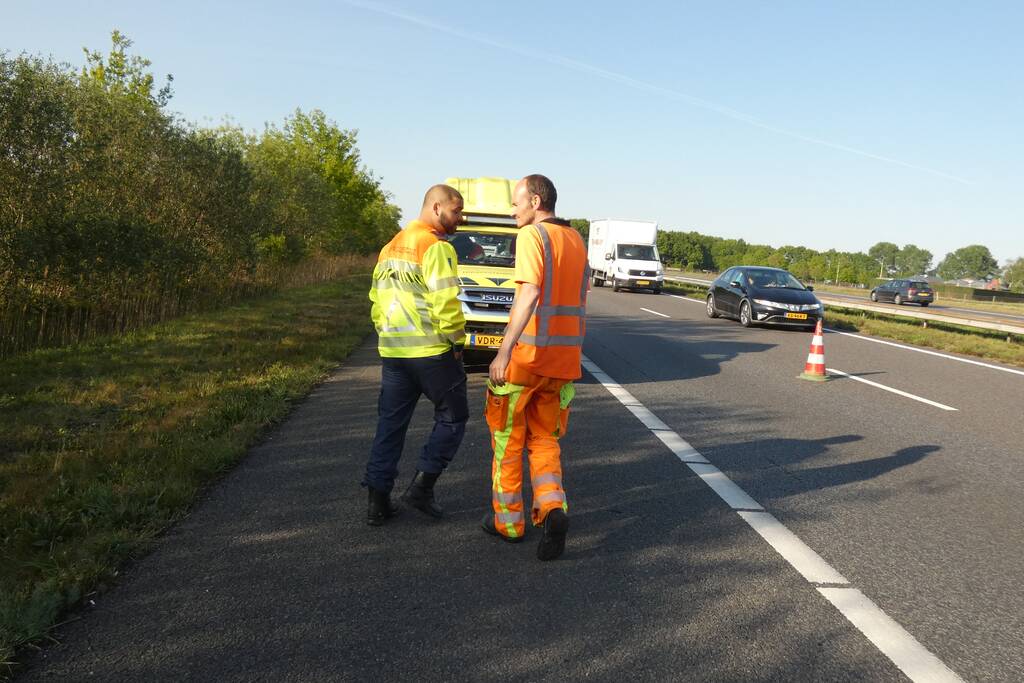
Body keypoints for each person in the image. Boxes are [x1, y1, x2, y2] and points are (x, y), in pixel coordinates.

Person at [481, 174, 589, 561]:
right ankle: (553, 509)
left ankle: (508, 524)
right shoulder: (576, 240)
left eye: (516, 202)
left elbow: (529, 293)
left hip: (525, 361)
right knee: (545, 442)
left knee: (507, 443)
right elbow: (579, 303)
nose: (513, 210)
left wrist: (503, 352)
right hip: (562, 364)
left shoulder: (532, 236)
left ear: (537, 201)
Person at [364, 184, 468, 526]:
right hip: (431, 351)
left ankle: (377, 503)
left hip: (394, 351)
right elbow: (445, 301)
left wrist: (385, 332)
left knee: (390, 424)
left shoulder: (390, 246)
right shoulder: (435, 246)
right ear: (436, 208)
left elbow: (377, 299)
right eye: (456, 211)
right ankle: (422, 487)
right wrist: (457, 341)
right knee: (453, 418)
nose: (460, 218)